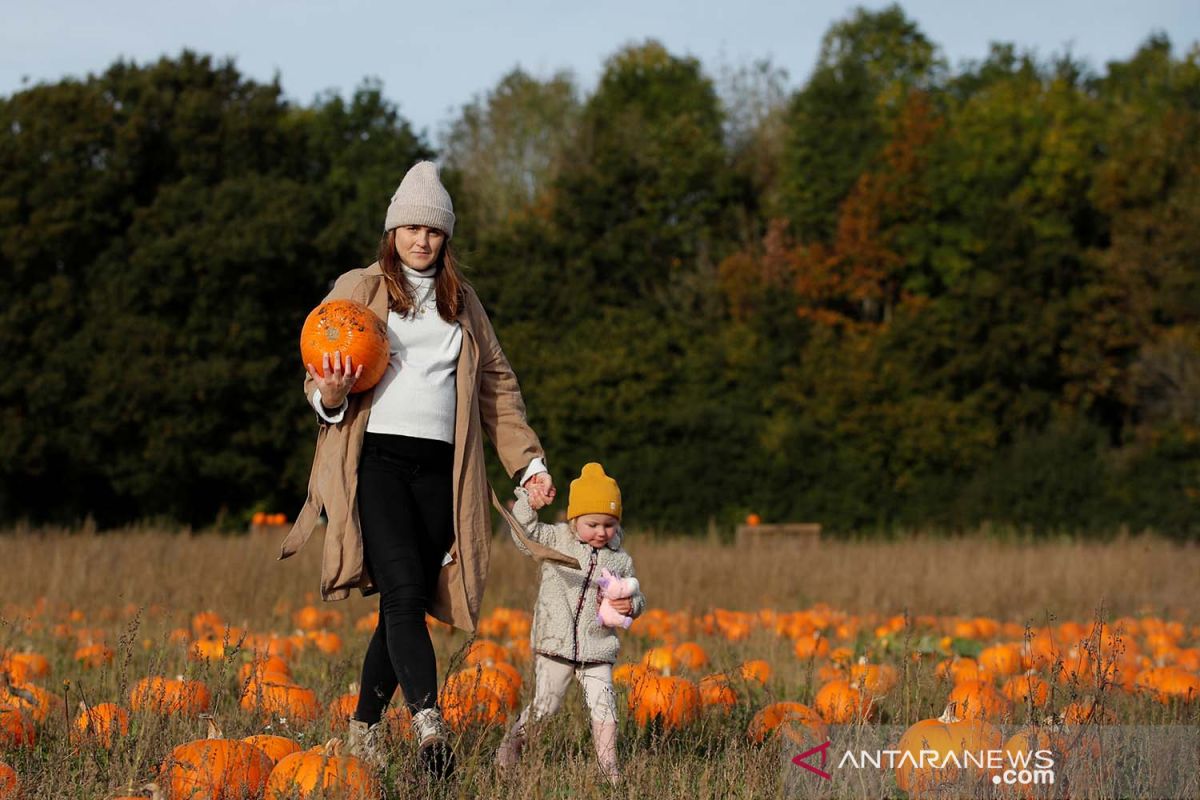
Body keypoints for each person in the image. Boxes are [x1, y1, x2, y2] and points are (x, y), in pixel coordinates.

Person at [277, 161, 579, 778]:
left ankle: (362, 729)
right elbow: (320, 370)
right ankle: (429, 728)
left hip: (443, 471)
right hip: (378, 463)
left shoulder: (464, 304)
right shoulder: (358, 289)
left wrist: (529, 465)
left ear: (447, 238)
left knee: (402, 601)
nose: (422, 239)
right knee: (405, 593)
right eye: (411, 227)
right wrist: (330, 397)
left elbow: (497, 386)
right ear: (393, 231)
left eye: (433, 231)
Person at [495, 462, 646, 785]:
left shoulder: (620, 558)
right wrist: (527, 503)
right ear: (574, 518)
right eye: (592, 524)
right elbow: (526, 535)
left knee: (605, 706)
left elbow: (636, 594)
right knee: (546, 707)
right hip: (556, 643)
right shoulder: (557, 539)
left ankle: (609, 768)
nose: (601, 532)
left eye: (609, 524)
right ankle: (511, 747)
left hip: (598, 647)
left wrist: (631, 604)